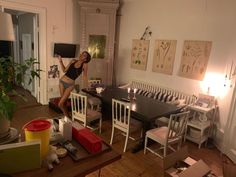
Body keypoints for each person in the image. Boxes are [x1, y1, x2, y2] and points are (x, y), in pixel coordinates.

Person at [57, 51, 91, 118]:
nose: (81, 55)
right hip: (62, 82)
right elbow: (64, 70)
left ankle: (68, 118)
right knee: (64, 102)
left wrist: (86, 87)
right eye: (81, 53)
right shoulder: (73, 61)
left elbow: (85, 76)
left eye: (84, 55)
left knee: (60, 104)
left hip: (70, 85)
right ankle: (67, 117)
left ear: (86, 59)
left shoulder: (85, 65)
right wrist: (60, 61)